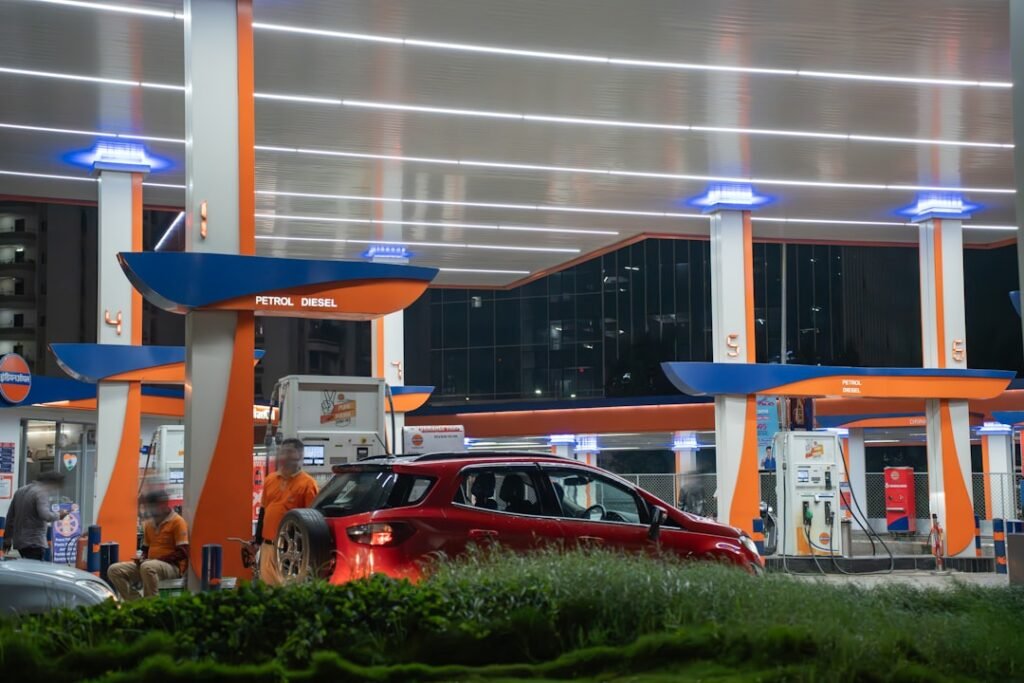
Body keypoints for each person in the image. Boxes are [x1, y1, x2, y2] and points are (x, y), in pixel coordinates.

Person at [253, 438, 319, 585]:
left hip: (291, 549)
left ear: (300, 456)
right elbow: (263, 511)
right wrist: (257, 540)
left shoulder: (308, 484)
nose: (284, 456)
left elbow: (313, 520)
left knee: (287, 588)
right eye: (282, 452)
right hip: (268, 546)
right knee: (266, 588)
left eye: (289, 452)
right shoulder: (271, 479)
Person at [107, 490, 188, 600]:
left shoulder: (178, 522)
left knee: (147, 567)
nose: (151, 510)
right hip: (150, 564)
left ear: (164, 504)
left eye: (153, 506)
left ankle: (151, 604)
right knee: (114, 570)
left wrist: (158, 560)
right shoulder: (149, 524)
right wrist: (142, 558)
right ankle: (137, 603)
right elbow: (146, 549)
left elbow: (183, 552)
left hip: (172, 567)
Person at [4, 472, 68, 560]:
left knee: (27, 568)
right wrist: (59, 515)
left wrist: (7, 538)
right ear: (52, 482)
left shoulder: (20, 491)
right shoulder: (41, 492)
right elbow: (45, 515)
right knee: (34, 569)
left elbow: (10, 517)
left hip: (20, 541)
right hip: (34, 541)